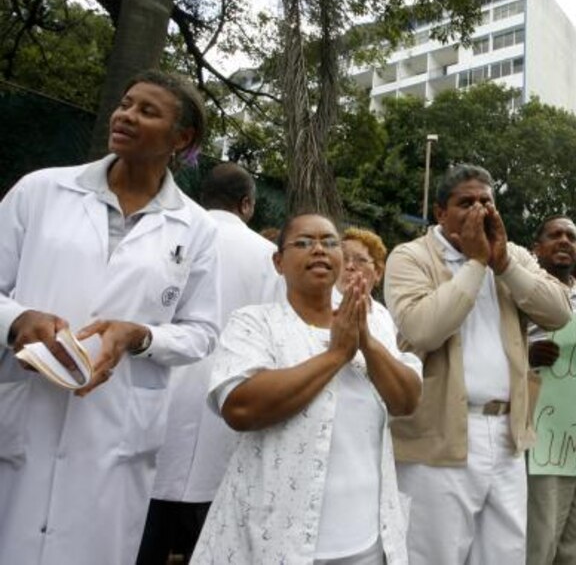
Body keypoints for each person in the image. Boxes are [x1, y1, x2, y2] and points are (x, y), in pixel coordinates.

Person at [0, 70, 221, 564]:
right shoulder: (41, 191)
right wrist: (17, 320)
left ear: (181, 138)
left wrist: (140, 336)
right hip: (25, 411)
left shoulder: (195, 228)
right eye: (125, 104)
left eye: (147, 111)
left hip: (117, 432)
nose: (125, 115)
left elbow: (202, 333)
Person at [191, 213, 422, 564]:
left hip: (369, 544)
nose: (319, 250)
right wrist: (336, 356)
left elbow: (406, 401)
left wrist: (367, 344)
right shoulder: (255, 323)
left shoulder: (375, 319)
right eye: (303, 243)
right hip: (278, 540)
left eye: (330, 242)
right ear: (278, 261)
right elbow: (240, 408)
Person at [383, 164, 571, 565]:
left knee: (504, 555)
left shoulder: (512, 255)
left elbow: (559, 313)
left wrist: (502, 264)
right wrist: (475, 264)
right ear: (440, 212)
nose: (478, 211)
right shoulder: (411, 256)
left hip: (506, 436)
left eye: (486, 202)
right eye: (465, 202)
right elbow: (421, 330)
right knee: (433, 555)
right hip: (438, 436)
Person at [139, 163, 284, 564]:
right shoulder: (269, 256)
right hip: (225, 404)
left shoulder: (174, 235)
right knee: (214, 542)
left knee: (142, 534)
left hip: (157, 384)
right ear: (247, 205)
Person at [524, 216, 576, 565]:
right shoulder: (522, 288)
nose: (563, 240)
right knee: (542, 527)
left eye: (571, 236)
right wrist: (526, 356)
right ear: (536, 248)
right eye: (554, 235)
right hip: (544, 426)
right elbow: (496, 344)